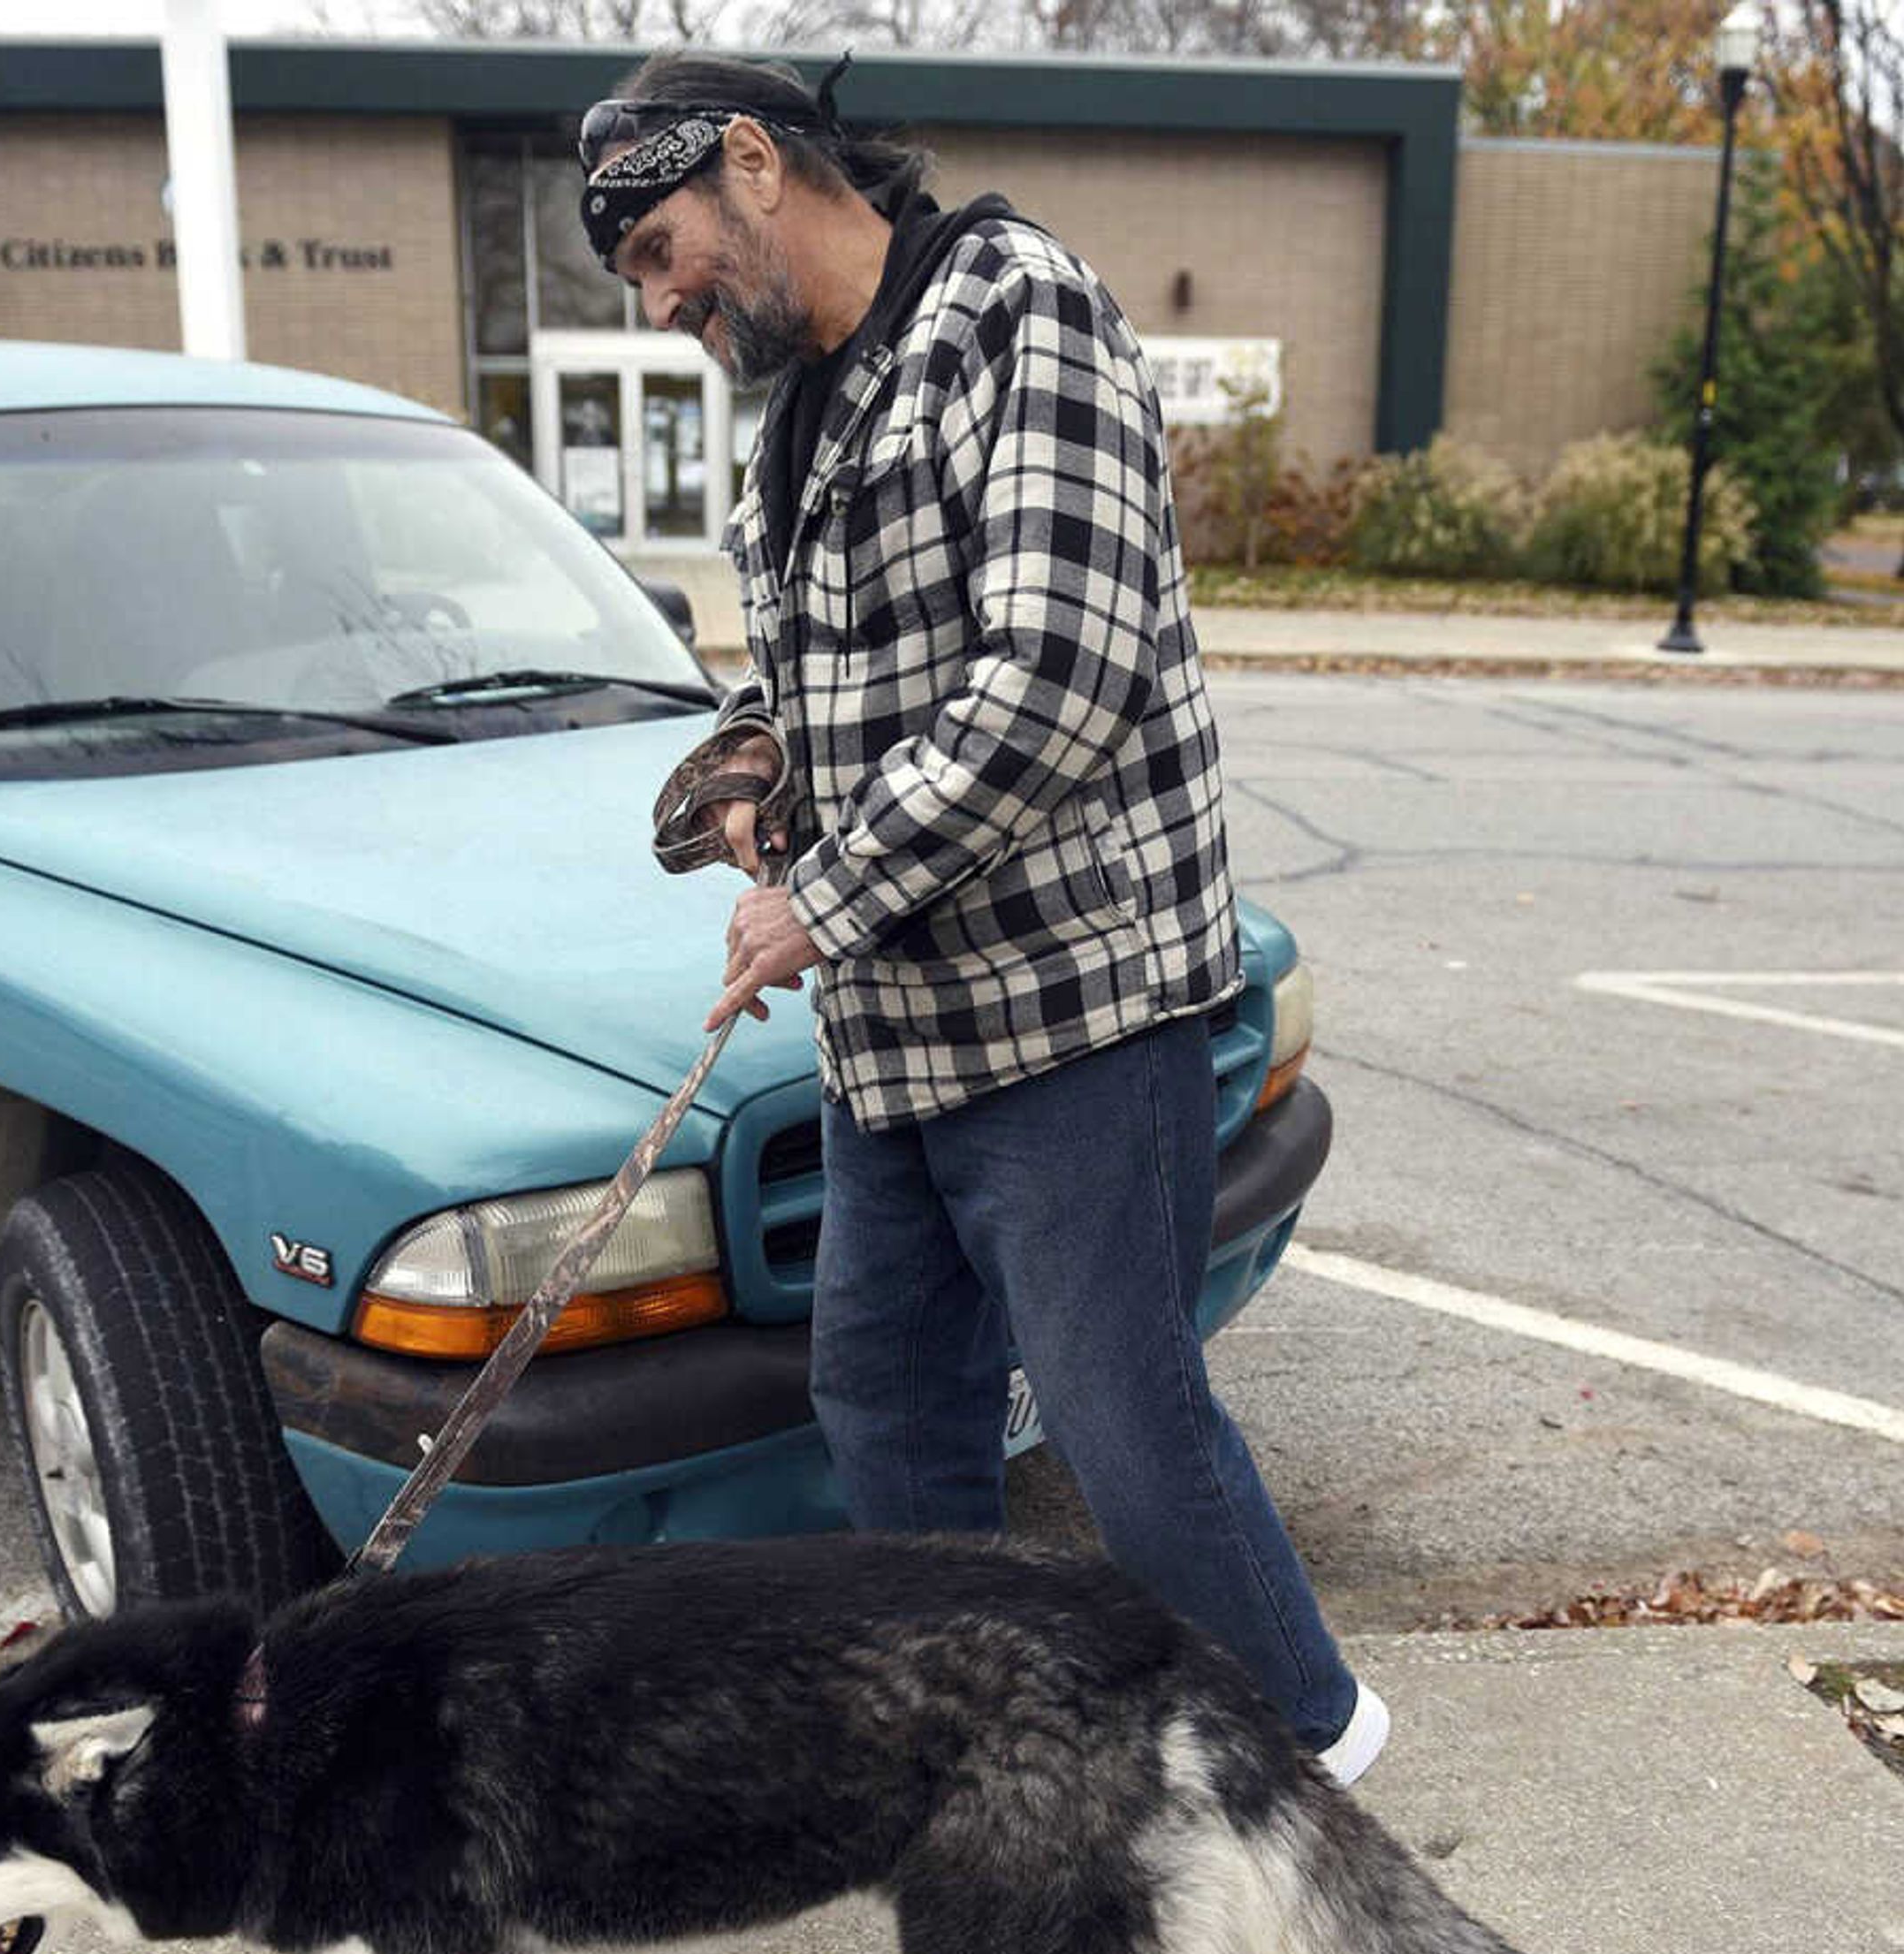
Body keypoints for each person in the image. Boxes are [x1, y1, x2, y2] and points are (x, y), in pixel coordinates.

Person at [591, 53, 1387, 1786]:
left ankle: (1317, 1760)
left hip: (1078, 1019)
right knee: (884, 1404)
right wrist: (735, 781)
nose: (662, 304)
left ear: (753, 158)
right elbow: (801, 689)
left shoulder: (1018, 309)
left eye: (661, 248)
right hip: (897, 1042)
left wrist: (827, 891)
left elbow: (1064, 678)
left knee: (1126, 1431)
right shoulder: (790, 418)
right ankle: (990, 1750)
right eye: (638, 280)